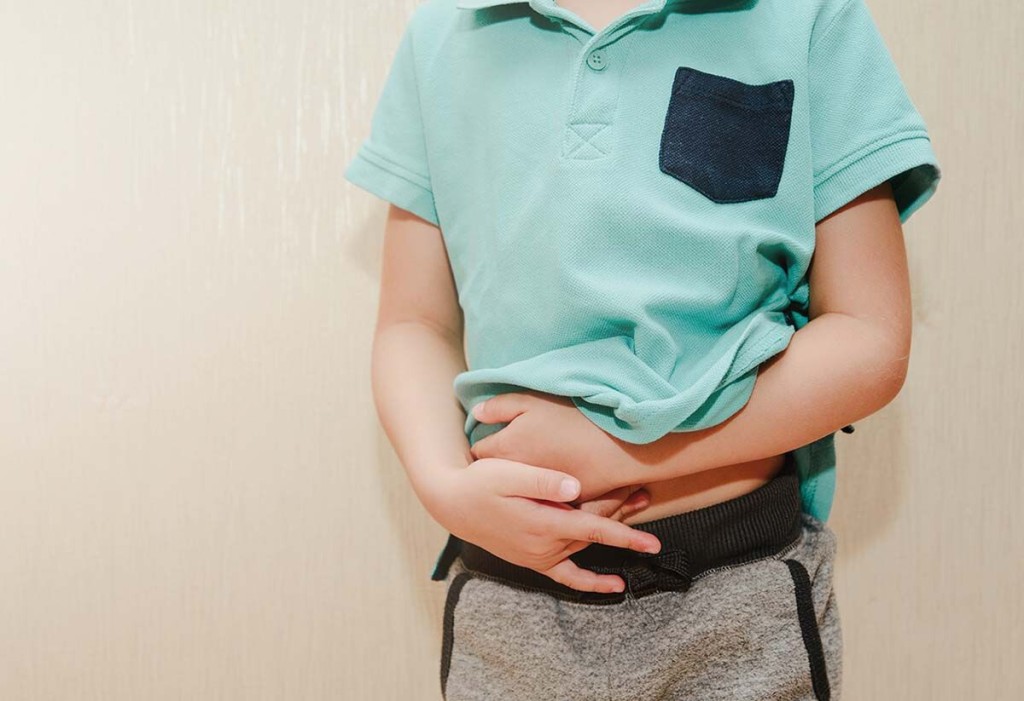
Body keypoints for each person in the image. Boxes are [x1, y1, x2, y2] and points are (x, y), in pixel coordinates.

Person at [343, 0, 942, 698]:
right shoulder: (443, 33)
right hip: (506, 595)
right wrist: (444, 486)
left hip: (737, 592)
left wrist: (622, 448)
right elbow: (414, 323)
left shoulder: (807, 16)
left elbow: (870, 337)